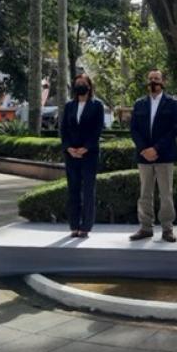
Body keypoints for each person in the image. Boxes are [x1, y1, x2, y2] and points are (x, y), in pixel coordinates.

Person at [129, 69, 177, 243]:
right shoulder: (139, 104)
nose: (153, 81)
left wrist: (156, 149)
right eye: (150, 79)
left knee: (166, 194)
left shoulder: (172, 103)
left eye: (156, 79)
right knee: (145, 194)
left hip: (164, 155)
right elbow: (134, 129)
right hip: (144, 157)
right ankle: (145, 228)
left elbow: (174, 129)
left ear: (163, 82)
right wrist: (144, 149)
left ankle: (167, 229)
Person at [59, 74, 105, 238]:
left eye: (83, 83)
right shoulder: (69, 106)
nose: (80, 85)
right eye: (77, 83)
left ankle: (85, 226)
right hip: (71, 155)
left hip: (89, 155)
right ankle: (74, 225)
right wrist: (69, 148)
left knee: (88, 190)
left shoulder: (97, 105)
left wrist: (85, 148)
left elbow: (98, 129)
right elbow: (63, 130)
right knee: (73, 190)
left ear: (89, 86)